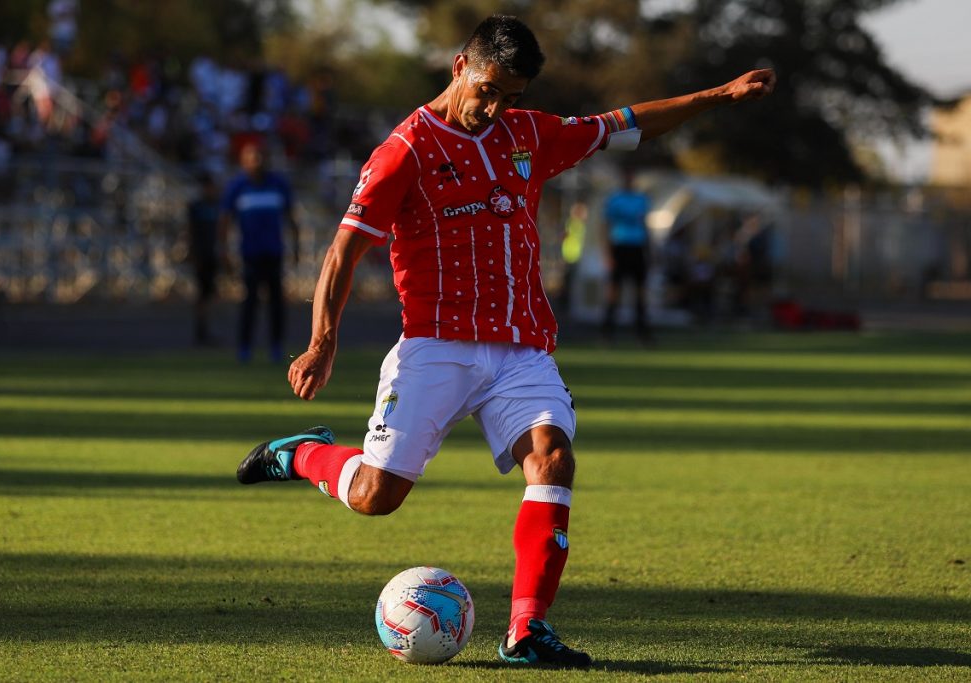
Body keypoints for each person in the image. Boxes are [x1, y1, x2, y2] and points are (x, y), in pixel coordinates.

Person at [236, 15, 774, 668]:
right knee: (377, 496)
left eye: (511, 96)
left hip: (522, 349)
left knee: (552, 456)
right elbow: (345, 249)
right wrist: (323, 340)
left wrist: (717, 96)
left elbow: (622, 123)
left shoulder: (528, 133)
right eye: (488, 89)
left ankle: (526, 630)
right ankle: (306, 456)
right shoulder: (404, 149)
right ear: (460, 65)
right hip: (436, 345)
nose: (495, 108)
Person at [219, 141, 299, 363]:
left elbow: (291, 219)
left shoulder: (278, 184)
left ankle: (276, 346)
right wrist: (224, 250)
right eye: (252, 156)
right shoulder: (237, 187)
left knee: (276, 304)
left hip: (274, 253)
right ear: (244, 161)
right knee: (249, 303)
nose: (257, 161)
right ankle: (245, 348)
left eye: (260, 156)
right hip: (250, 255)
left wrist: (296, 247)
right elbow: (225, 221)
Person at [601, 166, 652, 343]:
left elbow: (645, 225)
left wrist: (649, 250)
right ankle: (608, 333)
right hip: (620, 246)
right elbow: (605, 226)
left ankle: (642, 333)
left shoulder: (641, 199)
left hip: (637, 247)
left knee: (641, 292)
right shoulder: (615, 200)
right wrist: (608, 253)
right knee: (614, 291)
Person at [186, 172, 221, 345]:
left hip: (213, 254)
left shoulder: (217, 206)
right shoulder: (196, 207)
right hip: (202, 254)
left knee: (211, 293)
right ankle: (201, 330)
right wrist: (192, 253)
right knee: (203, 293)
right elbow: (190, 231)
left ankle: (207, 329)